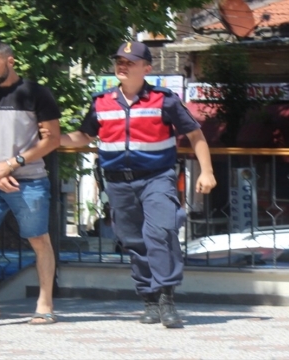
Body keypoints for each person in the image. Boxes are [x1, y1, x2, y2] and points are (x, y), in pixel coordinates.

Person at [59, 41, 217, 328]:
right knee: (134, 243)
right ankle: (149, 300)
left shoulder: (164, 100)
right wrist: (50, 139)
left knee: (161, 233)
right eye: (119, 60)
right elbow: (83, 136)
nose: (122, 65)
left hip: (157, 178)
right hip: (118, 183)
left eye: (130, 62)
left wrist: (206, 171)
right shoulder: (101, 102)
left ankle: (167, 300)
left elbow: (195, 135)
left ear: (147, 68)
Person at [0, 41, 61, 325]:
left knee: (39, 240)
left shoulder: (37, 93)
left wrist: (12, 164)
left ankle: (44, 304)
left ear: (10, 61)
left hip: (29, 180)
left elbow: (52, 139)